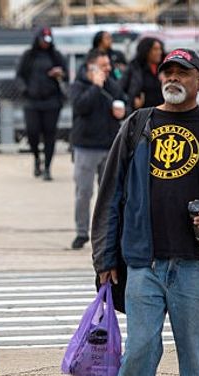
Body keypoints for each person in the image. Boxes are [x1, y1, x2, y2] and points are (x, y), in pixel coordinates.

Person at [91, 48, 199, 376]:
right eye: (168, 72)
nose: (173, 78)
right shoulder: (137, 125)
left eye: (183, 72)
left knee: (196, 359)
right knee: (139, 351)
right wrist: (104, 258)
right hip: (143, 263)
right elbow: (110, 195)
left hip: (196, 265)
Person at [68, 50, 127, 250]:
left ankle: (107, 231)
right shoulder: (79, 85)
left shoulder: (112, 84)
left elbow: (122, 100)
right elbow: (80, 107)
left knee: (110, 192)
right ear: (91, 67)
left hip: (109, 145)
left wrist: (122, 111)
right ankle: (81, 232)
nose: (108, 69)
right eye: (103, 66)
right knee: (84, 192)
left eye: (108, 65)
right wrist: (95, 86)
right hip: (85, 146)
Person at [15, 26, 68, 181]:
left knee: (50, 134)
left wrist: (59, 74)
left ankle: (47, 168)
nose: (46, 43)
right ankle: (37, 158)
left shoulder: (56, 56)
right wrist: (25, 90)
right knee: (32, 132)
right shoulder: (29, 55)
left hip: (51, 101)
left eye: (48, 40)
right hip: (32, 101)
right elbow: (19, 76)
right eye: (43, 40)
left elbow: (66, 75)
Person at [123, 37, 164, 110]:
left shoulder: (164, 68)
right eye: (155, 49)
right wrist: (132, 102)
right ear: (146, 51)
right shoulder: (134, 68)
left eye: (160, 49)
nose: (159, 52)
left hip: (161, 110)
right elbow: (121, 89)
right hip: (142, 111)